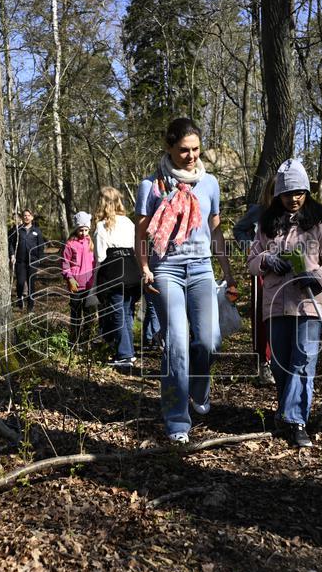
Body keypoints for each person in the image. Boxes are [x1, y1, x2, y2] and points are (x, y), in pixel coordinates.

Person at [135, 117, 237, 444]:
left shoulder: (210, 184)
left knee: (208, 340)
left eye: (195, 149)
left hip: (202, 269)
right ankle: (177, 419)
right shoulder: (151, 185)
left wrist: (228, 272)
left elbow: (216, 230)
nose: (191, 156)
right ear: (169, 147)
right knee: (177, 342)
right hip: (166, 269)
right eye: (183, 150)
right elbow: (141, 232)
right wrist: (144, 268)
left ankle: (199, 386)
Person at [246, 159, 322, 448]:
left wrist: (318, 278)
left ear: (307, 191)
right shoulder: (266, 224)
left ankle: (296, 421)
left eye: (299, 192)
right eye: (288, 193)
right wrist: (266, 261)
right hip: (275, 304)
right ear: (278, 195)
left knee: (303, 361)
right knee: (281, 365)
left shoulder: (320, 224)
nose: (294, 198)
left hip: (308, 305)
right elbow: (251, 261)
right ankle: (285, 413)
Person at [232, 179, 278, 385]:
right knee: (262, 315)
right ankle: (264, 363)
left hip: (286, 270)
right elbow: (239, 229)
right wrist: (252, 250)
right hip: (262, 270)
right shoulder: (260, 211)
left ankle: (282, 360)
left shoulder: (295, 213)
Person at [93, 187, 141, 367]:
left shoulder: (101, 226)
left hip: (113, 270)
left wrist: (97, 281)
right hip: (132, 268)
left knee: (117, 312)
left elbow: (99, 256)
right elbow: (137, 247)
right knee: (127, 312)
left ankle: (125, 354)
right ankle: (129, 352)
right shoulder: (128, 222)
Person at [62, 212, 96, 346]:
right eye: (80, 230)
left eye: (86, 230)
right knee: (76, 314)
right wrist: (69, 278)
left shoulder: (91, 243)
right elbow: (65, 263)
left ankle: (86, 341)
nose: (83, 232)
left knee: (89, 315)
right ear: (76, 229)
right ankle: (74, 341)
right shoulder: (70, 244)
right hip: (76, 285)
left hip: (90, 285)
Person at [9, 208, 45, 310]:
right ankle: (19, 299)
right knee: (20, 282)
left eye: (28, 215)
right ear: (22, 217)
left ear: (32, 217)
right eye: (24, 215)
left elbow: (41, 246)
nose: (26, 217)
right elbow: (11, 243)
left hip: (33, 261)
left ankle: (30, 307)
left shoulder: (36, 231)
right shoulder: (17, 229)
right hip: (20, 261)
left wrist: (39, 259)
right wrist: (12, 255)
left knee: (31, 284)